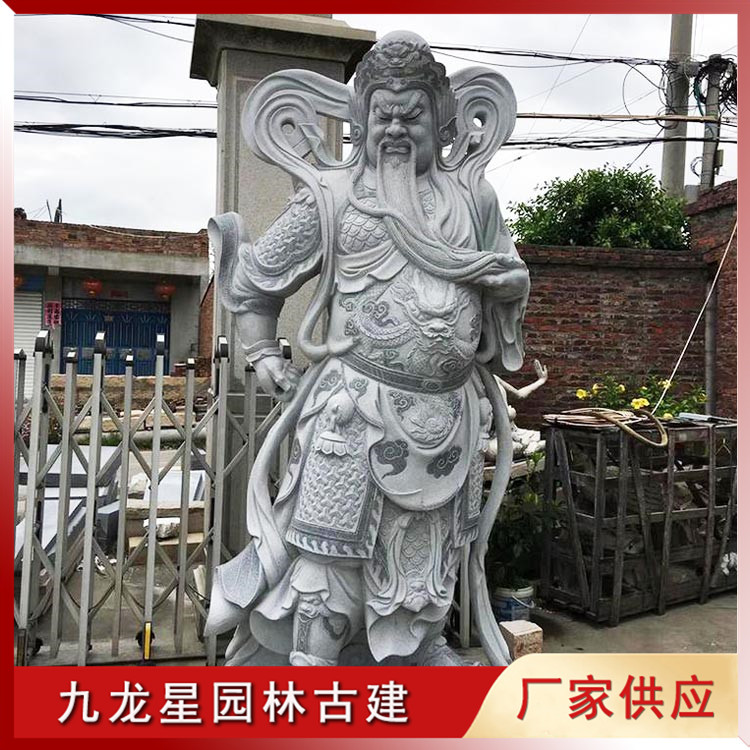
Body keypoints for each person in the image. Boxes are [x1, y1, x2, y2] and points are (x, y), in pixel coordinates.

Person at [205, 31, 530, 666]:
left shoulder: (474, 200)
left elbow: (509, 278)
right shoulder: (334, 197)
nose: (397, 129)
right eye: (384, 114)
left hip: (447, 420)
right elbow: (255, 280)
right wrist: (263, 352)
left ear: (442, 121)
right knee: (325, 567)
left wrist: (510, 288)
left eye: (413, 116)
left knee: (429, 561)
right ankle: (313, 673)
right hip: (353, 414)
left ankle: (419, 654)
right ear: (361, 118)